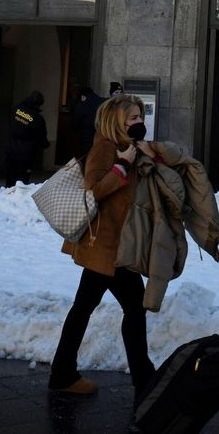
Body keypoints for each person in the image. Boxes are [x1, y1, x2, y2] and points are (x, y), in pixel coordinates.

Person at [49, 95, 165, 401]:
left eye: (140, 117)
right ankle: (143, 378)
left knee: (86, 307)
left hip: (113, 245)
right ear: (117, 122)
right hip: (105, 246)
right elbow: (94, 189)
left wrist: (146, 159)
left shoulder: (129, 147)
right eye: (133, 118)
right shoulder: (105, 147)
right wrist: (122, 165)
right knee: (132, 307)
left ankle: (63, 373)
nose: (139, 122)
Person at [4, 91, 49, 186]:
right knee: (22, 182)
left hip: (11, 149)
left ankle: (8, 192)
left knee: (10, 179)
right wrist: (45, 144)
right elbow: (42, 138)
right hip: (26, 154)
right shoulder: (37, 118)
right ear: (39, 104)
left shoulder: (16, 109)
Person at [72, 85, 101, 167]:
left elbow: (77, 117)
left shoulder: (83, 103)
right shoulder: (100, 101)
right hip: (99, 134)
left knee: (85, 155)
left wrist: (74, 127)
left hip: (86, 133)